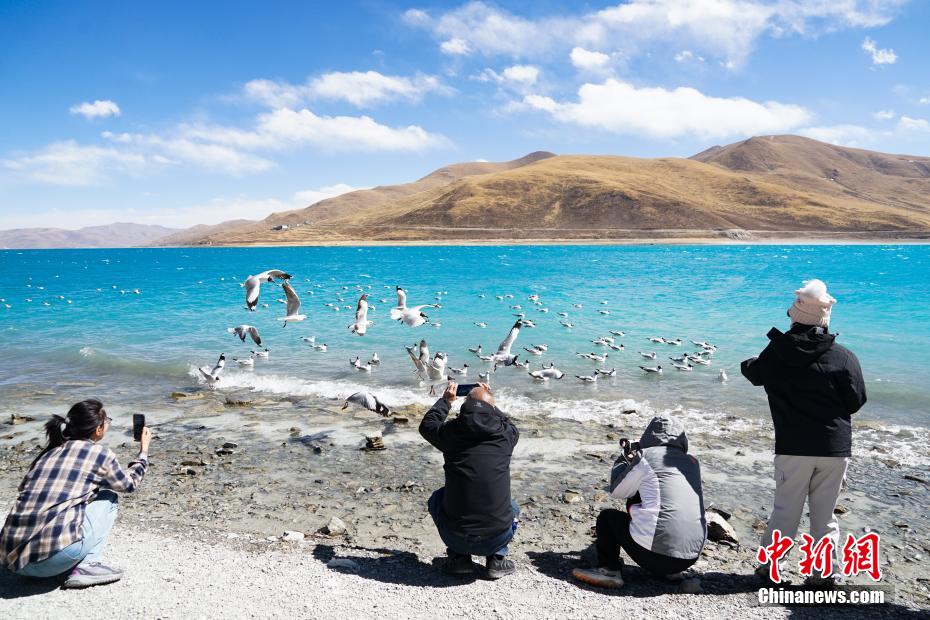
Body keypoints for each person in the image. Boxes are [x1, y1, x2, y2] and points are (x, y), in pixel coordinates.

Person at [741, 279, 866, 586]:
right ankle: (823, 574)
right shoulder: (842, 356)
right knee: (825, 515)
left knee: (786, 510)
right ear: (825, 319)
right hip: (834, 447)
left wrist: (750, 363)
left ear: (794, 315)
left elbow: (755, 374)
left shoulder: (778, 352)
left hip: (793, 445)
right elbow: (856, 401)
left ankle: (771, 567)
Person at [0, 399, 150, 588]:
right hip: (51, 562)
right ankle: (88, 566)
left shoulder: (48, 454)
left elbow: (24, 489)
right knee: (108, 498)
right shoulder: (100, 454)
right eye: (107, 421)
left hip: (11, 560)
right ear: (98, 429)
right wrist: (143, 452)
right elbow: (129, 484)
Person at [573, 415, 706, 589]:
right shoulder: (693, 463)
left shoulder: (646, 456)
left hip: (655, 557)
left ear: (649, 435)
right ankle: (671, 572)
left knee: (607, 518)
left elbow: (617, 490)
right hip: (689, 557)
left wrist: (625, 457)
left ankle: (609, 570)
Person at [419, 381, 520, 579]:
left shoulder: (450, 432)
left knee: (437, 498)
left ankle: (459, 559)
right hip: (496, 537)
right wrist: (489, 402)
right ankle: (497, 559)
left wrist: (446, 401)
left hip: (456, 536)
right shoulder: (506, 436)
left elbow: (427, 425)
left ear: (464, 409)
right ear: (492, 410)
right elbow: (510, 424)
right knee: (512, 506)